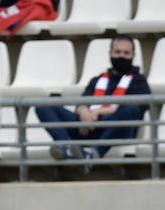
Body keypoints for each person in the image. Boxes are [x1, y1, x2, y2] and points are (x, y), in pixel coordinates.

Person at [36, 33, 150, 161]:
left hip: (114, 129)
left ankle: (94, 154)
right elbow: (82, 102)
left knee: (130, 109)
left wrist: (97, 112)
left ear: (133, 55)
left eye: (126, 53)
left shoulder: (139, 81)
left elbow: (137, 107)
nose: (121, 56)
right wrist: (84, 112)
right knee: (43, 105)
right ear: (110, 53)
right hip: (86, 126)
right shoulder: (97, 79)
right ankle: (68, 147)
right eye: (117, 52)